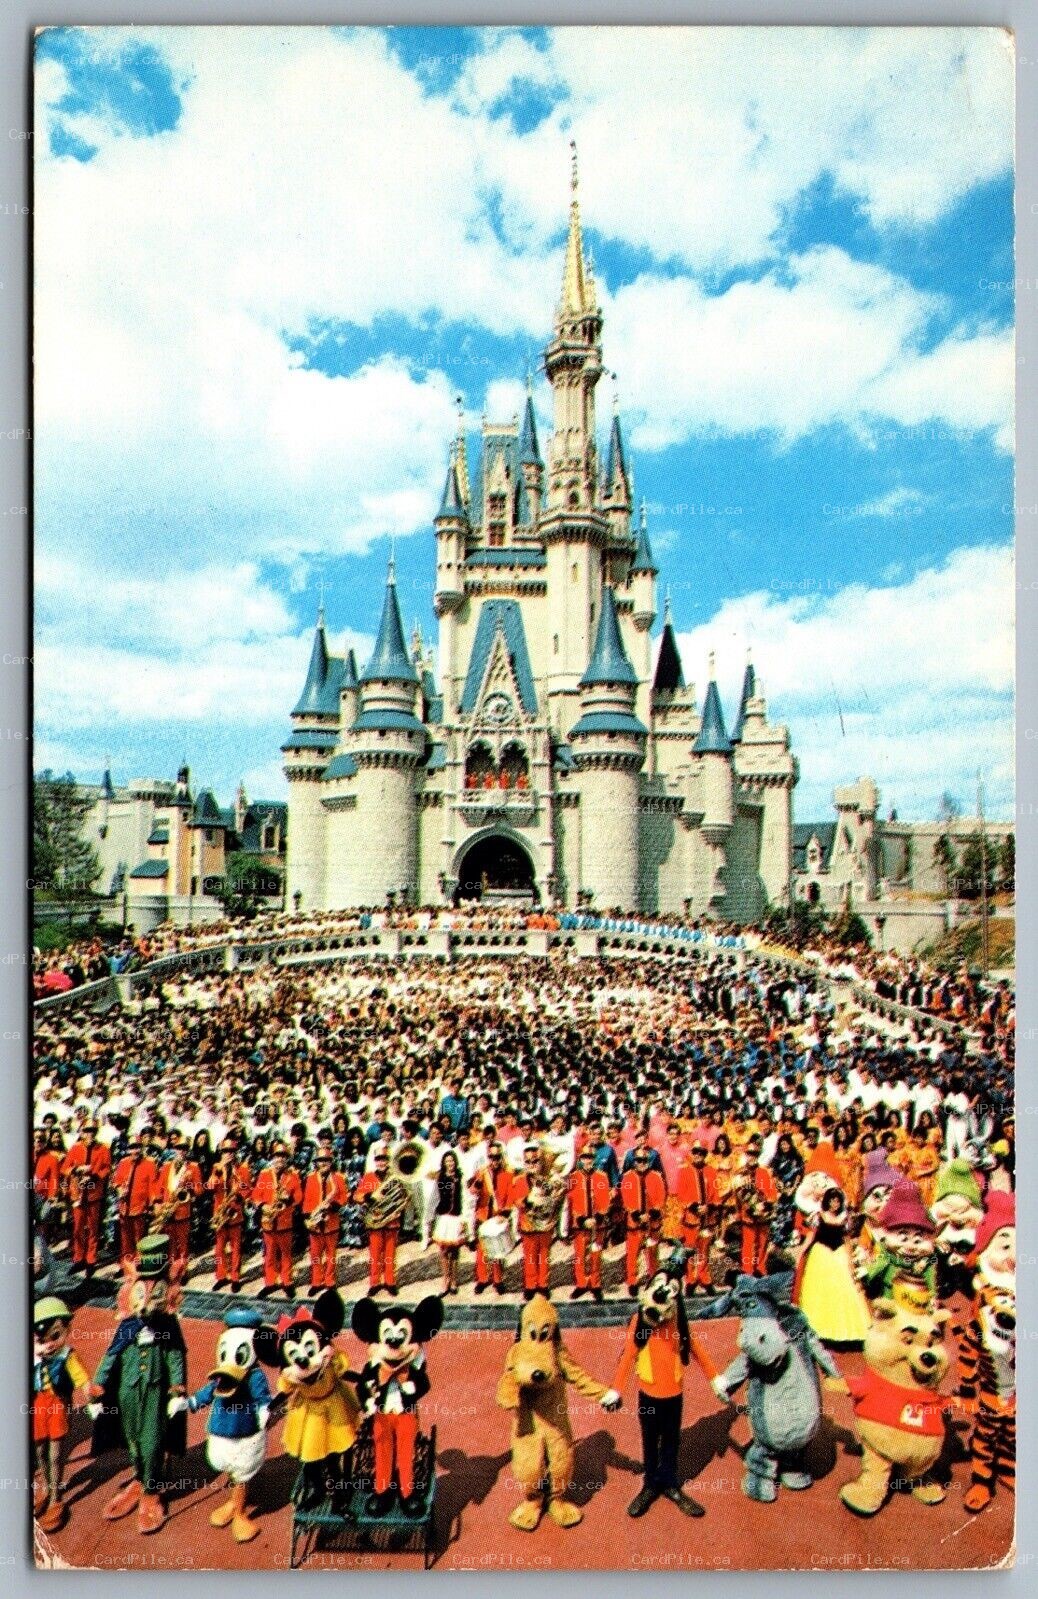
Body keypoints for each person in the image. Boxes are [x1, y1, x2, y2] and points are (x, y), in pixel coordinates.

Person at [794, 1185, 871, 1344]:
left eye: (837, 1201)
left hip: (839, 1254)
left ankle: (845, 1333)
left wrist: (851, 1262)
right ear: (827, 1201)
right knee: (820, 1292)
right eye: (832, 1201)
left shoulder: (845, 1217)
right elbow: (810, 1236)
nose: (834, 1204)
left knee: (844, 1289)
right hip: (821, 1254)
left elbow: (847, 1240)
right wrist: (801, 1253)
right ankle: (819, 1331)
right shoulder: (818, 1216)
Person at [61, 1118, 111, 1278]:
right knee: (77, 1228)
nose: (89, 1134)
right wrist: (76, 1169)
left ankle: (91, 1260)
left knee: (92, 1228)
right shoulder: (75, 1148)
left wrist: (94, 1177)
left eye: (92, 1131)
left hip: (93, 1194)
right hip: (77, 1193)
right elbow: (65, 1168)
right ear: (82, 1132)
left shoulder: (103, 1148)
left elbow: (107, 1168)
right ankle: (78, 1258)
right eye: (87, 1131)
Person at [252, 1141, 302, 1300]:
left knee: (286, 1254)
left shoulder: (292, 1176)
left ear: (286, 1159)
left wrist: (289, 1200)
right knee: (270, 1254)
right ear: (272, 1158)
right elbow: (256, 1195)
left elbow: (299, 1196)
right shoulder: (265, 1174)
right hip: (268, 1220)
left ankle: (287, 1282)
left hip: (284, 1220)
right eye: (277, 1156)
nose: (280, 1159)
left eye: (283, 1156)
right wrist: (262, 1207)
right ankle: (270, 1282)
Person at [354, 1148, 405, 1296]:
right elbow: (357, 1196)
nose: (381, 1162)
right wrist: (370, 1196)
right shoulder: (369, 1177)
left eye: (384, 1159)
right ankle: (374, 1283)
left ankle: (390, 1282)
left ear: (388, 1161)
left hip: (391, 1221)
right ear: (375, 1162)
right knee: (375, 1254)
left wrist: (399, 1208)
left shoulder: (395, 1176)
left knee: (390, 1254)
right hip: (375, 1221)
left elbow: (403, 1196)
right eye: (379, 1159)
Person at [511, 1142, 558, 1301]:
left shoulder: (548, 1179)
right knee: (530, 1257)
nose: (532, 1165)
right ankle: (530, 1285)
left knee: (544, 1255)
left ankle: (543, 1284)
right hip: (528, 1224)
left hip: (545, 1225)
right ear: (524, 1163)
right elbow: (517, 1202)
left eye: (535, 1161)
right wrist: (530, 1200)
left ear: (540, 1162)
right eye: (528, 1162)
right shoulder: (518, 1180)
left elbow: (555, 1199)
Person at [208, 1131, 251, 1294]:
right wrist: (218, 1174)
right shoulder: (216, 1168)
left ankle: (235, 1277)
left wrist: (239, 1198)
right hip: (220, 1213)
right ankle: (220, 1276)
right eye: (226, 1152)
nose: (229, 1155)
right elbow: (210, 1187)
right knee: (219, 1249)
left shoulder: (242, 1169)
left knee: (235, 1248)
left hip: (235, 1213)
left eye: (231, 1152)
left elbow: (247, 1189)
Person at [675, 1141, 719, 1295]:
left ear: (705, 1154)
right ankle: (691, 1281)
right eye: (695, 1152)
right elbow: (681, 1194)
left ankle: (704, 1278)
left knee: (704, 1250)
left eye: (701, 1153)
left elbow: (715, 1193)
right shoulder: (684, 1171)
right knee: (690, 1250)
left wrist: (709, 1207)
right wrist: (694, 1207)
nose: (698, 1155)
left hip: (706, 1217)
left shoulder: (711, 1171)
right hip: (691, 1217)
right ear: (691, 1154)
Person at [469, 1140, 513, 1295]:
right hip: (482, 1215)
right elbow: (472, 1191)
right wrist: (478, 1184)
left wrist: (504, 1215)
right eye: (491, 1157)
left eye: (497, 1157)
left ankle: (498, 1280)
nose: (494, 1160)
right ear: (488, 1157)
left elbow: (510, 1197)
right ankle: (482, 1279)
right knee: (481, 1251)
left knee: (497, 1250)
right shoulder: (481, 1172)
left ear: (501, 1157)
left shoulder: (508, 1174)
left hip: (497, 1217)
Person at [302, 1147, 348, 1294]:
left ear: (330, 1162)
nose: (323, 1163)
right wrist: (309, 1216)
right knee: (315, 1255)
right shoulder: (310, 1178)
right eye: (321, 1161)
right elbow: (307, 1199)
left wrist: (334, 1206)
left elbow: (343, 1197)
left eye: (326, 1160)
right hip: (315, 1222)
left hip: (331, 1222)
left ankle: (330, 1281)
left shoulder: (338, 1178)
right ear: (316, 1163)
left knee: (331, 1255)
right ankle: (316, 1281)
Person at [620, 1144, 665, 1291]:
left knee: (652, 1252)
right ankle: (632, 1281)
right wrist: (638, 1215)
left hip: (652, 1222)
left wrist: (651, 1214)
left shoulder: (656, 1177)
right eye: (638, 1160)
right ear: (634, 1162)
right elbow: (626, 1199)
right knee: (632, 1253)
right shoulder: (627, 1178)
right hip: (634, 1222)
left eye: (644, 1160)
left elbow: (661, 1198)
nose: (641, 1163)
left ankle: (653, 1278)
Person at [568, 1144, 610, 1301]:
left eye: (590, 1158)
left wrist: (598, 1217)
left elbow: (605, 1200)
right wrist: (581, 1219)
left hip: (597, 1224)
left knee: (595, 1254)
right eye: (585, 1158)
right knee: (579, 1255)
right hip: (580, 1224)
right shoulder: (573, 1178)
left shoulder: (602, 1177)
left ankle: (595, 1284)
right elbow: (570, 1201)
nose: (588, 1161)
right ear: (580, 1159)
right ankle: (581, 1284)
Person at [112, 1133, 158, 1272]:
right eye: (132, 1148)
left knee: (140, 1239)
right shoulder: (123, 1162)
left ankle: (139, 1264)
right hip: (124, 1207)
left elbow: (153, 1187)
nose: (135, 1151)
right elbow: (117, 1181)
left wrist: (152, 1205)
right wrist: (119, 1189)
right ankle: (126, 1265)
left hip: (140, 1208)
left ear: (142, 1147)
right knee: (125, 1240)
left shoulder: (150, 1163)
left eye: (137, 1147)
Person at [734, 1137, 778, 1277]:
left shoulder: (764, 1172)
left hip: (763, 1213)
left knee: (762, 1243)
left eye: (754, 1154)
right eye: (749, 1154)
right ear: (746, 1155)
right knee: (748, 1244)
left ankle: (761, 1268)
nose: (751, 1157)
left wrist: (765, 1205)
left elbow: (772, 1193)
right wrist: (739, 1212)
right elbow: (737, 1196)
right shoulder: (740, 1173)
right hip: (747, 1213)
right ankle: (747, 1269)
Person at [433, 1149, 466, 1295]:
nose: (450, 1163)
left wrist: (464, 1219)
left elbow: (464, 1197)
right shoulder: (441, 1178)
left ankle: (454, 1280)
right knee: (444, 1250)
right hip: (444, 1216)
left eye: (452, 1161)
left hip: (456, 1216)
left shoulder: (460, 1176)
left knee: (455, 1250)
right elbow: (440, 1195)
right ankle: (445, 1279)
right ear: (444, 1163)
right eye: (447, 1161)